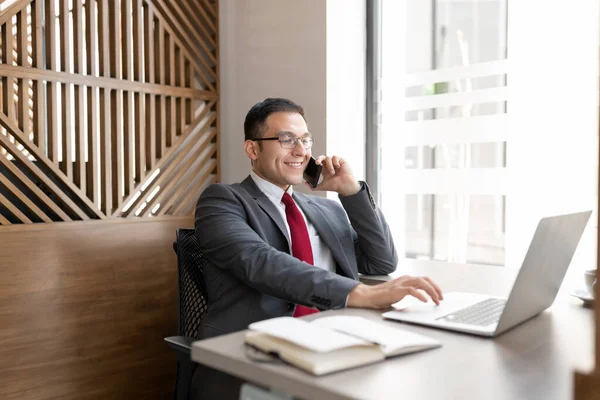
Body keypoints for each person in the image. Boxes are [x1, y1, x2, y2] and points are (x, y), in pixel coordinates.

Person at [190, 97, 443, 399]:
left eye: (305, 140)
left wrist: (351, 193)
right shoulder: (222, 200)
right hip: (259, 352)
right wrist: (357, 293)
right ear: (253, 149)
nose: (300, 150)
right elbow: (258, 261)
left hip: (334, 345)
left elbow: (381, 261)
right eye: (286, 140)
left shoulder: (326, 210)